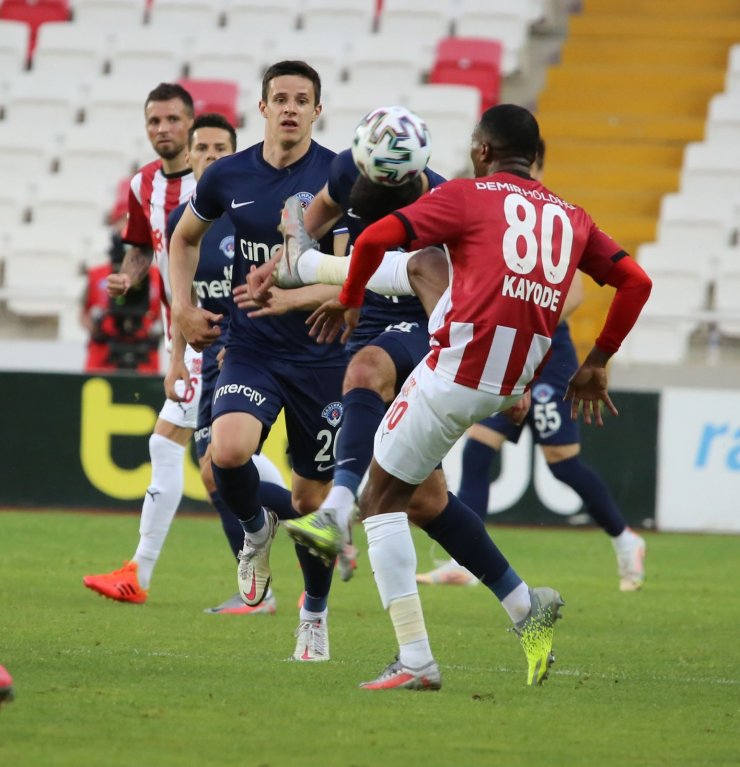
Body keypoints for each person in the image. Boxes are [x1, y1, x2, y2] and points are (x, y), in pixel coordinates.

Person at [303, 104, 652, 689]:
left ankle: (415, 659)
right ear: (534, 155)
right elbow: (636, 281)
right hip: (511, 382)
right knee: (421, 498)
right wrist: (596, 362)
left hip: (454, 374)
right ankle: (524, 608)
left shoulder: (467, 195)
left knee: (379, 501)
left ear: (483, 150)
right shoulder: (572, 218)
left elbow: (381, 237)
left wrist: (350, 295)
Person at [169, 61, 347, 661]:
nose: (291, 108)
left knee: (310, 505)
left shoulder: (338, 177)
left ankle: (314, 615)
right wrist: (183, 308)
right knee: (225, 454)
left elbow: (355, 279)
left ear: (317, 110)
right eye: (281, 99)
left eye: (303, 99)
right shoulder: (227, 175)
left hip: (322, 356)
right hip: (250, 349)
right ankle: (253, 531)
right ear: (264, 108)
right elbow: (183, 240)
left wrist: (295, 295)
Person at [417, 141, 647, 593]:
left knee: (562, 463)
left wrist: (520, 315)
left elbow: (576, 295)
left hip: (546, 356)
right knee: (479, 451)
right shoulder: (500, 210)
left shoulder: (551, 216)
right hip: (511, 351)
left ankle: (626, 540)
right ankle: (463, 562)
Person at [163, 112, 290, 616]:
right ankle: (258, 585)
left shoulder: (247, 213)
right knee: (213, 472)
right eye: (204, 149)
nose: (212, 157)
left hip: (253, 354)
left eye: (222, 149)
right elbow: (183, 304)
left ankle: (317, 519)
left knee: (223, 466)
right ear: (190, 157)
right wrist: (176, 360)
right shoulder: (185, 227)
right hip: (207, 364)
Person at [80, 218, 162, 375]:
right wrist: (95, 329)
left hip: (145, 352)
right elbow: (83, 313)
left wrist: (158, 330)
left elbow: (169, 313)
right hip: (103, 352)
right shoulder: (96, 275)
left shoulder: (158, 276)